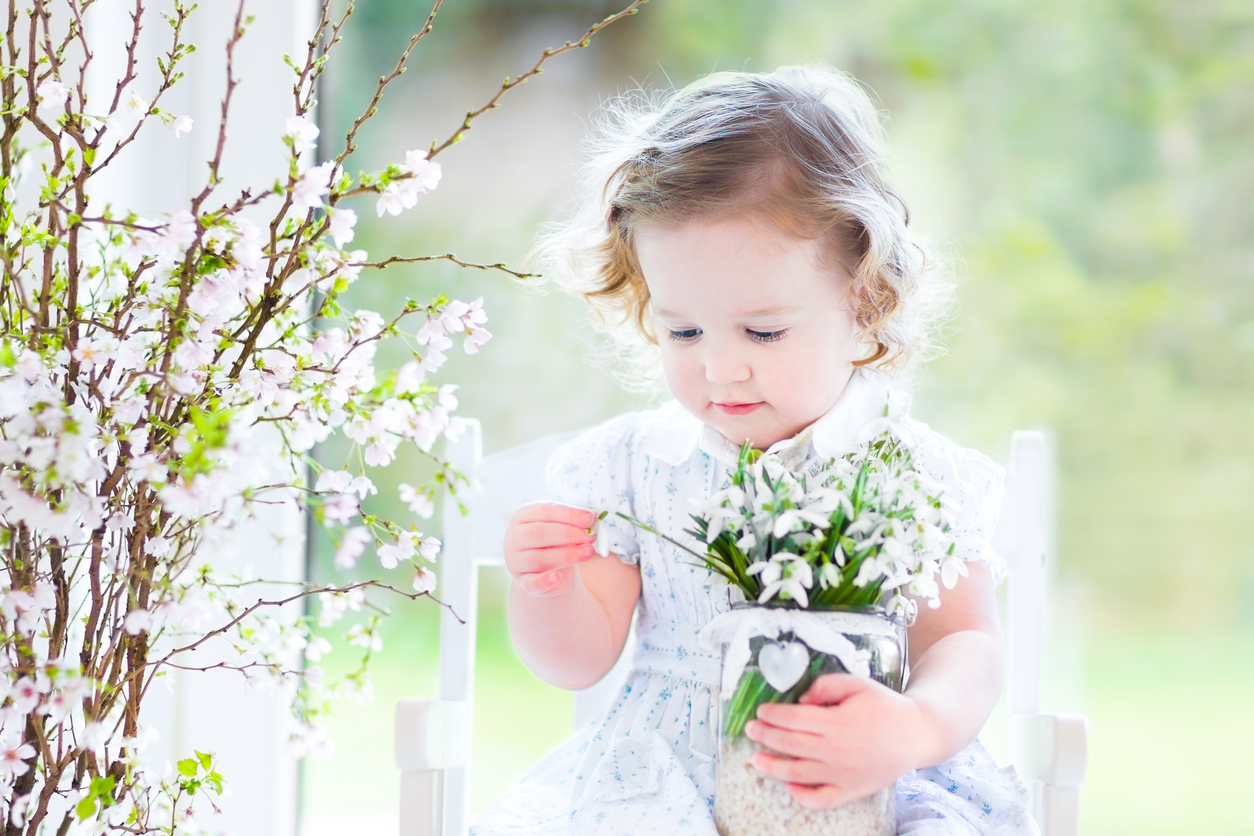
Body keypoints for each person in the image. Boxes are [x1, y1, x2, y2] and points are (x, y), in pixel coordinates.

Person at [472, 66, 1037, 835]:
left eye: (763, 331)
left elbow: (964, 641)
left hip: (862, 770)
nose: (719, 367)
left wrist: (916, 728)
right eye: (683, 330)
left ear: (865, 299)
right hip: (667, 780)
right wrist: (547, 589)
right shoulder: (635, 468)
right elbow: (577, 662)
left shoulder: (913, 474)